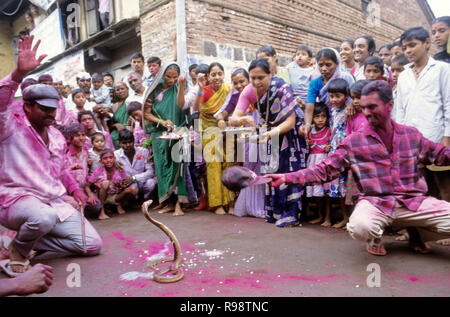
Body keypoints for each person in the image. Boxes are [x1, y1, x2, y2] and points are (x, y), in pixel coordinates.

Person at [266, 80, 450, 256]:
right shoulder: (354, 141)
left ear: (390, 105)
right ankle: (374, 239)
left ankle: (415, 233)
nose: (367, 112)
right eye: (364, 108)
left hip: (413, 202)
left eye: (372, 107)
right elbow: (324, 170)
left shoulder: (411, 135)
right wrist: (287, 178)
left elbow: (441, 154)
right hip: (376, 204)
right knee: (360, 227)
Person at [0, 36, 102, 276]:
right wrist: (17, 75)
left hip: (54, 203)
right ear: (27, 106)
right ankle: (19, 250)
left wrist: (75, 190)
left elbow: (61, 170)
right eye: (43, 109)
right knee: (42, 217)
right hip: (16, 200)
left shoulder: (56, 136)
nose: (50, 114)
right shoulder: (9, 126)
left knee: (91, 245)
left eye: (52, 109)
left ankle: (24, 242)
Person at [230, 58, 307, 227]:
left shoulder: (281, 87)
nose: (257, 82)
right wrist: (243, 118)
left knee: (287, 172)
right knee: (271, 173)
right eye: (253, 78)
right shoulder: (249, 91)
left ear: (271, 75)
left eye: (261, 77)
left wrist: (271, 133)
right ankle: (276, 211)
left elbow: (291, 122)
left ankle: (292, 214)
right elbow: (233, 119)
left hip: (287, 135)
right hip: (268, 135)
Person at [395, 27, 450, 204]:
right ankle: (432, 230)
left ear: (426, 43)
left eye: (412, 45)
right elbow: (401, 110)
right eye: (405, 47)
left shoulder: (442, 69)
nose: (408, 51)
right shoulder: (404, 75)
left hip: (436, 137)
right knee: (424, 186)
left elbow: (448, 104)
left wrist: (446, 138)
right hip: (412, 140)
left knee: (445, 185)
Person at [143, 63, 197, 216]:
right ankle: (167, 202)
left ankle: (179, 204)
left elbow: (186, 108)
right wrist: (162, 122)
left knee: (177, 168)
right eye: (168, 77)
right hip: (159, 136)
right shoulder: (155, 91)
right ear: (161, 75)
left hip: (178, 132)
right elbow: (147, 114)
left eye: (175, 77)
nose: (171, 80)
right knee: (162, 169)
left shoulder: (182, 88)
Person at [196, 62, 235, 215]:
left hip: (227, 129)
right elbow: (196, 108)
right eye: (213, 74)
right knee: (214, 166)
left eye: (219, 73)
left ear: (223, 75)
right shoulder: (204, 90)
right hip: (209, 130)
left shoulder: (228, 89)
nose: (217, 77)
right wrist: (199, 88)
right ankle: (217, 204)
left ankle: (231, 202)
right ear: (208, 77)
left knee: (229, 164)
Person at [301, 48, 355, 137]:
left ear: (337, 64)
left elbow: (355, 97)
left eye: (328, 65)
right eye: (320, 65)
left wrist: (351, 104)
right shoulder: (315, 83)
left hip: (347, 117)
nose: (324, 69)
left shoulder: (346, 78)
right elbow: (310, 107)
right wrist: (307, 125)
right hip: (327, 119)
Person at [321, 78, 352, 228]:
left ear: (346, 95)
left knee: (344, 187)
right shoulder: (332, 111)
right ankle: (337, 217)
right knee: (333, 185)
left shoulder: (350, 110)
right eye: (331, 96)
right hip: (333, 151)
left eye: (338, 96)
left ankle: (348, 217)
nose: (334, 99)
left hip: (344, 152)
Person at [86, 149, 137, 219]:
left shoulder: (120, 170)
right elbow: (87, 186)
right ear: (101, 161)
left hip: (115, 196)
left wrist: (120, 185)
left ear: (114, 158)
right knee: (105, 183)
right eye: (105, 158)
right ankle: (102, 210)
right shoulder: (98, 171)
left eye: (110, 157)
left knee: (133, 189)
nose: (108, 160)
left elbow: (124, 185)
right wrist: (90, 195)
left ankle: (119, 204)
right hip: (102, 197)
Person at [305, 102, 331, 225]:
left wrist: (329, 147)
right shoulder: (309, 132)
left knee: (326, 191)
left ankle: (328, 217)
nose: (320, 120)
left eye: (323, 116)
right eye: (317, 116)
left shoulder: (329, 131)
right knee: (316, 192)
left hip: (324, 163)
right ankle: (320, 216)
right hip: (312, 163)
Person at [114, 129, 156, 202]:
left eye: (130, 142)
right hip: (128, 185)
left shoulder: (143, 151)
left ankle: (145, 199)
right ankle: (133, 201)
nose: (128, 145)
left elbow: (150, 172)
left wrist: (134, 178)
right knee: (132, 189)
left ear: (134, 141)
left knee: (151, 183)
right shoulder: (116, 155)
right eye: (124, 143)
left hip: (142, 182)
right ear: (120, 143)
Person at [109, 81, 131, 149]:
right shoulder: (114, 106)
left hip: (130, 131)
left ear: (127, 89)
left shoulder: (132, 100)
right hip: (117, 134)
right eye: (117, 90)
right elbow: (111, 123)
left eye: (122, 88)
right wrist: (116, 125)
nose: (120, 91)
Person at [390, 54, 409, 119]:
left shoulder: (409, 90)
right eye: (392, 71)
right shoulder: (393, 90)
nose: (394, 74)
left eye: (399, 70)